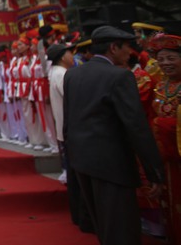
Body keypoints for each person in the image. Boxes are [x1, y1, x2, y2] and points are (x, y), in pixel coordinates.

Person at [63, 25, 164, 245]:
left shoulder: (73, 74)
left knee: (104, 226)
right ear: (113, 48)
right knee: (121, 229)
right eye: (127, 46)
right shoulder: (120, 76)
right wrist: (154, 171)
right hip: (112, 164)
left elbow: (68, 120)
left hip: (82, 161)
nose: (131, 52)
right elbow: (136, 126)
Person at [148, 33, 181, 242]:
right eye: (161, 60)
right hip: (167, 160)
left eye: (171, 58)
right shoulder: (160, 86)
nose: (165, 64)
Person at [46, 42, 75, 183]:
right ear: (63, 57)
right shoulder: (61, 74)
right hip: (69, 126)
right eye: (69, 53)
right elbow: (74, 99)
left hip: (65, 126)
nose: (72, 56)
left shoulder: (57, 72)